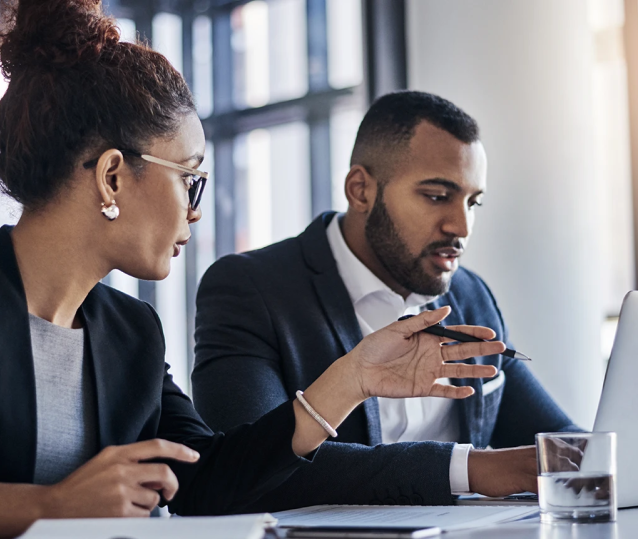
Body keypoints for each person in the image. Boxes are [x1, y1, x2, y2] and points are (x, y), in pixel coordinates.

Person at [0, 5, 504, 537]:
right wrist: (52, 505)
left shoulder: (130, 331)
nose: (194, 211)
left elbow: (209, 478)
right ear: (112, 174)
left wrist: (351, 380)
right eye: (190, 178)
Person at [192, 91, 582, 511]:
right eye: (437, 195)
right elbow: (246, 469)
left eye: (473, 202)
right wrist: (470, 469)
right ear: (360, 190)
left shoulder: (470, 294)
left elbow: (557, 440)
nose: (461, 225)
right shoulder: (250, 288)